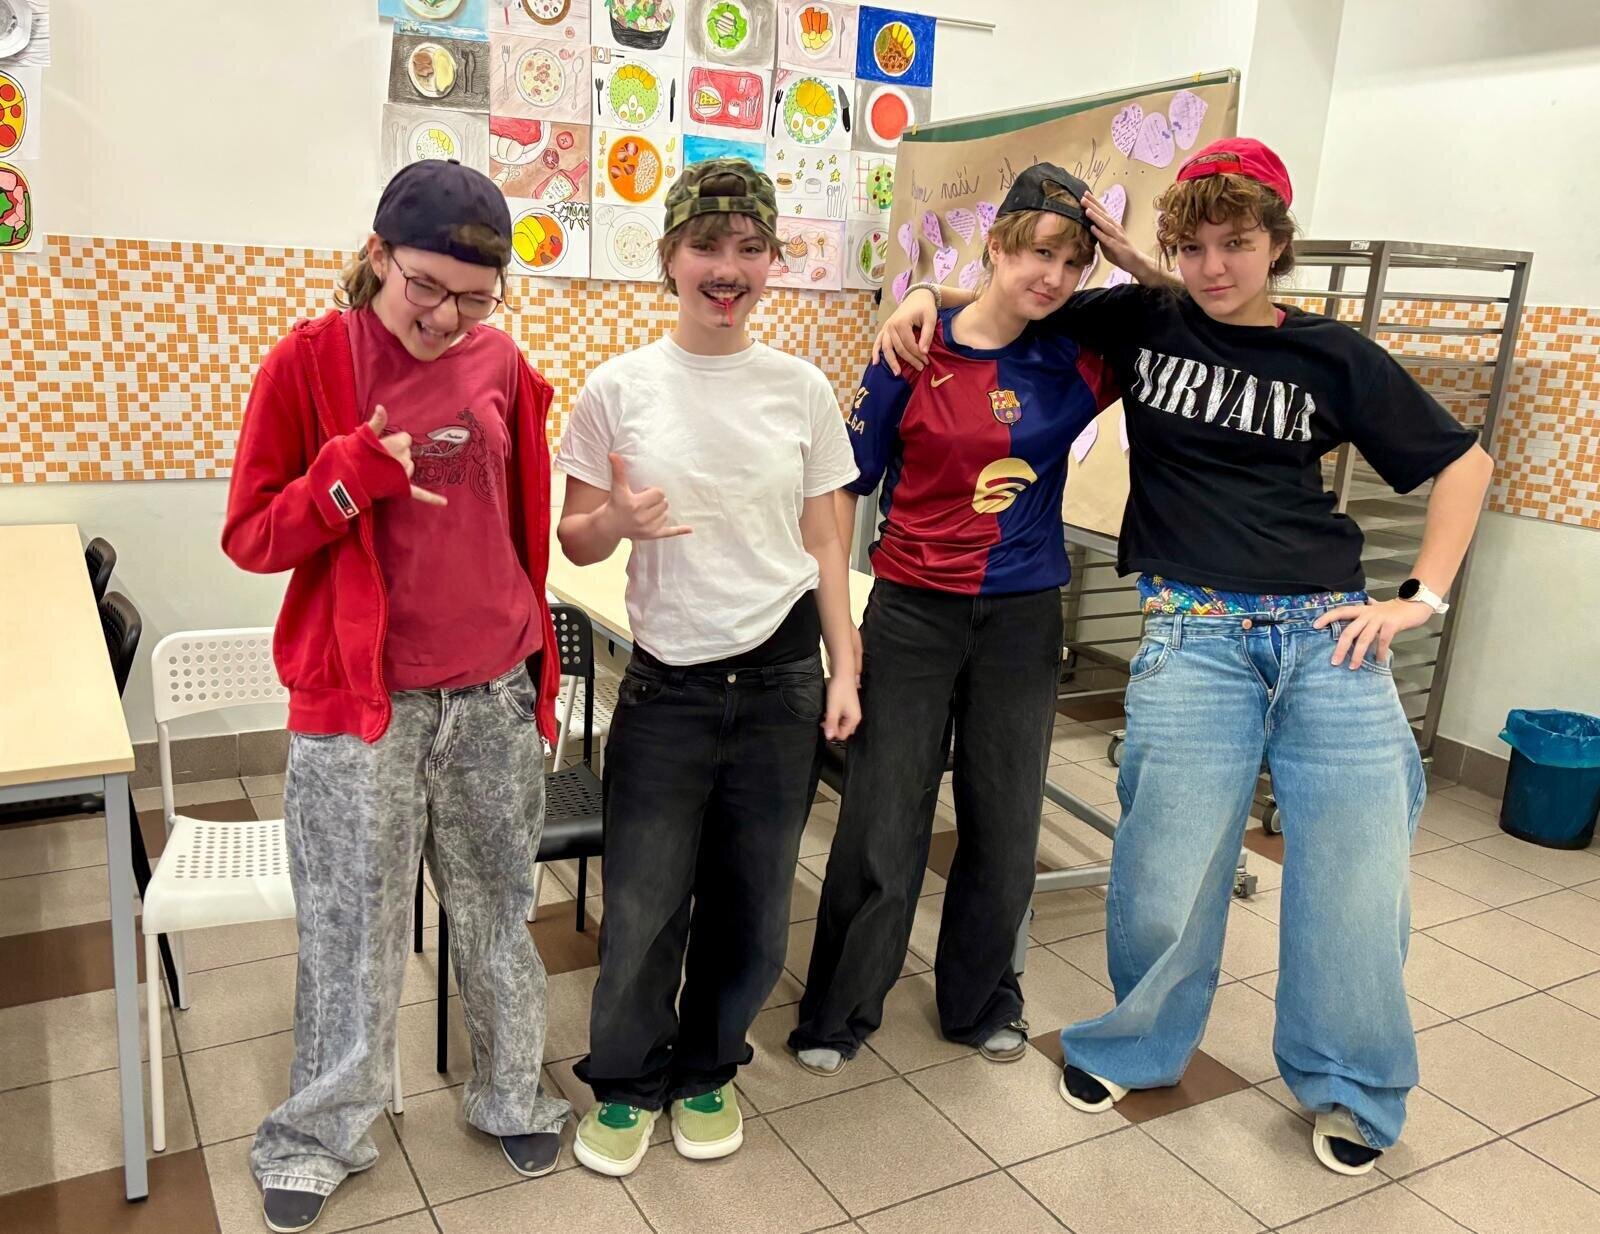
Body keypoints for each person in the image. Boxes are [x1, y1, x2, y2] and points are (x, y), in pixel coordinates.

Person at [873, 137, 1494, 1175]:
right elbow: (1014, 296)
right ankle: (1139, 1045)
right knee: (1165, 868)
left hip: (1328, 636)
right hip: (1192, 632)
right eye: (1194, 247)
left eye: (1237, 244)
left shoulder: (1333, 354)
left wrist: (1418, 599)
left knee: (1354, 881)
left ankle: (1350, 1088)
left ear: (1277, 245)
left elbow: (1463, 464)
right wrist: (926, 300)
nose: (1214, 266)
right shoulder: (1142, 322)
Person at [222, 159, 571, 1233]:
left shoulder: (502, 363)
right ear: (378, 255)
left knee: (497, 910)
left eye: (476, 297)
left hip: (490, 690)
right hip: (361, 706)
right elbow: (251, 535)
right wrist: (346, 476)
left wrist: (536, 675)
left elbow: (522, 525)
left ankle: (510, 1090)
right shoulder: (309, 364)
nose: (447, 316)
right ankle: (319, 1133)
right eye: (427, 285)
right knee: (350, 929)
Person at [554, 158, 862, 1177]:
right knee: (644, 903)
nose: (726, 268)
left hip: (781, 680)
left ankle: (708, 1067)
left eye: (748, 248)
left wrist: (845, 669)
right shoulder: (619, 388)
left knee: (755, 901)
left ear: (771, 262)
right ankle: (627, 1078)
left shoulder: (802, 389)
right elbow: (575, 536)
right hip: (668, 683)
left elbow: (826, 541)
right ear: (670, 259)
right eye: (706, 246)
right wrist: (616, 519)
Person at [787, 165, 1118, 1077]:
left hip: (1023, 617)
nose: (1053, 276)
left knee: (1004, 820)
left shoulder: (1077, 354)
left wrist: (934, 286)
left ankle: (979, 1003)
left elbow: (1188, 313)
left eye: (1074, 263)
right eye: (1039, 253)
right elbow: (845, 488)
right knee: (881, 817)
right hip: (912, 613)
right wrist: (840, 636)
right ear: (997, 246)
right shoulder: (910, 352)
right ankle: (840, 1009)